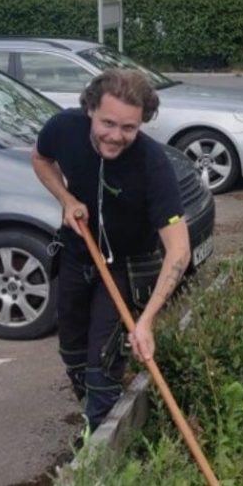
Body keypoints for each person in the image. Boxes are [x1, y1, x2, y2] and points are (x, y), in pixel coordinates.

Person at [31, 69, 191, 432]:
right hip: (76, 253)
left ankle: (97, 446)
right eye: (108, 123)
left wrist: (146, 320)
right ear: (90, 108)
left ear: (142, 124)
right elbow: (40, 160)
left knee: (102, 361)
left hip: (123, 267)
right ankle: (92, 409)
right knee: (72, 351)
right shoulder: (63, 129)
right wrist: (67, 197)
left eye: (129, 128)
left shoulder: (153, 165)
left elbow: (179, 249)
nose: (116, 137)